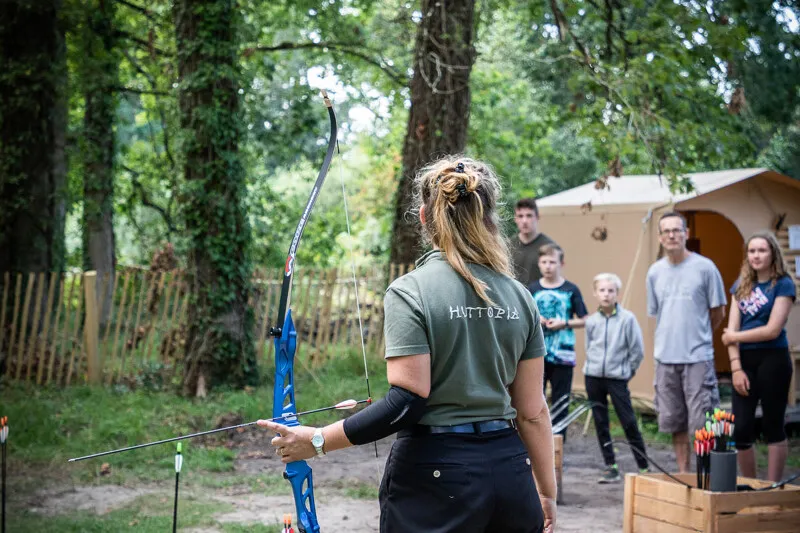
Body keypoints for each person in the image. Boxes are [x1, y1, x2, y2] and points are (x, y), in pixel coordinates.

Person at [259, 156, 557, 533]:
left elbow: (407, 401)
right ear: (489, 218)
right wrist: (546, 493)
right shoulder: (519, 296)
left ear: (423, 217)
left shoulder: (410, 290)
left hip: (437, 476)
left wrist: (317, 441)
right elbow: (532, 413)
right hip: (510, 474)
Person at [646, 211, 726, 473]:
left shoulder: (705, 268)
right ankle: (685, 475)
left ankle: (708, 476)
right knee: (675, 422)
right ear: (660, 237)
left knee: (703, 422)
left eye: (677, 230)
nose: (672, 235)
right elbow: (657, 313)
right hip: (665, 359)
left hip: (697, 358)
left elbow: (718, 312)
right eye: (666, 231)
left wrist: (699, 336)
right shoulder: (655, 272)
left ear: (686, 234)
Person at [721, 231, 795, 482]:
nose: (756, 255)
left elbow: (772, 330)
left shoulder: (783, 284)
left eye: (762, 250)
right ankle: (751, 484)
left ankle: (773, 486)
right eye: (752, 251)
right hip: (744, 362)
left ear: (773, 253)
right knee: (741, 427)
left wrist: (735, 338)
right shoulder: (740, 286)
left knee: (773, 425)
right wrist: (735, 368)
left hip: (773, 359)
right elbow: (730, 331)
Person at [583, 273, 650, 483]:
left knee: (628, 421)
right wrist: (592, 366)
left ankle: (644, 467)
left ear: (617, 294)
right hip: (593, 377)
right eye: (602, 290)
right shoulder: (591, 321)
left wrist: (626, 372)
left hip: (617, 378)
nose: (606, 294)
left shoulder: (627, 319)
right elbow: (589, 347)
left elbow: (637, 350)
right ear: (595, 293)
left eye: (610, 290)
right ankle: (610, 465)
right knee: (601, 422)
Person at [529, 243, 588, 441]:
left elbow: (585, 319)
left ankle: (558, 443)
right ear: (539, 263)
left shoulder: (571, 289)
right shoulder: (532, 289)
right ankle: (538, 440)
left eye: (552, 262)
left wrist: (564, 323)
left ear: (561, 263)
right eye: (544, 262)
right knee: (536, 398)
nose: (548, 266)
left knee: (561, 400)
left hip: (563, 355)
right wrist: (537, 320)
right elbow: (524, 316)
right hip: (537, 353)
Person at [511, 198, 555, 287]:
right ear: (515, 219)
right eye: (520, 216)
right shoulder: (508, 246)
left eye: (529, 215)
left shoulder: (549, 247)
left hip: (538, 298)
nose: (524, 221)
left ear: (537, 217)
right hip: (513, 298)